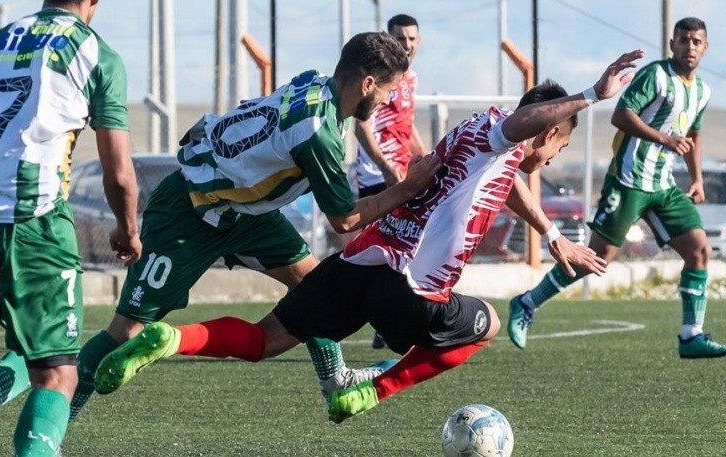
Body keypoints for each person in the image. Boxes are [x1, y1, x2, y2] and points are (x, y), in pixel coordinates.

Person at [93, 51, 645, 424]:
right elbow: (520, 141)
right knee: (486, 326)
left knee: (266, 340)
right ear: (548, 130)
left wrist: (551, 233)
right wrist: (592, 94)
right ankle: (368, 392)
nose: (553, 158)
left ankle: (170, 341)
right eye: (559, 148)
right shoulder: (507, 133)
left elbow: (507, 180)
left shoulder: (477, 135)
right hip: (409, 292)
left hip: (357, 267)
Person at [67, 30, 443, 422]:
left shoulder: (313, 83)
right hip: (191, 208)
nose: (387, 101)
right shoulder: (318, 133)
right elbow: (345, 218)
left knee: (314, 286)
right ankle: (53, 430)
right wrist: (409, 189)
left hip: (246, 214)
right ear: (367, 84)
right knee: (126, 329)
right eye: (388, 91)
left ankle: (337, 380)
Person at [0, 1, 142, 455]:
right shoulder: (95, 53)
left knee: (39, 347)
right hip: (35, 221)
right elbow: (118, 171)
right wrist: (127, 228)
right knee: (60, 373)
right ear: (93, 3)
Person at [507, 17, 726, 359]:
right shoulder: (655, 75)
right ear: (672, 44)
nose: (689, 47)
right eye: (683, 40)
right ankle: (526, 302)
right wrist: (663, 138)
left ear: (706, 47)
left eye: (696, 41)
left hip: (664, 185)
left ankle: (691, 334)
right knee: (596, 259)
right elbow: (621, 115)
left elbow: (693, 136)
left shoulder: (701, 91)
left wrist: (696, 177)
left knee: (699, 250)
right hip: (629, 180)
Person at [353, 14, 428, 350]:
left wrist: (427, 160)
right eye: (399, 37)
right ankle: (386, 321)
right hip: (378, 176)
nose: (406, 44)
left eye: (411, 38)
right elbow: (362, 124)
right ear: (388, 37)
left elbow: (405, 125)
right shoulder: (381, 77)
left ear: (419, 41)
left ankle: (390, 321)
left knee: (407, 249)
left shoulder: (410, 78)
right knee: (386, 252)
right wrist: (384, 167)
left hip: (401, 173)